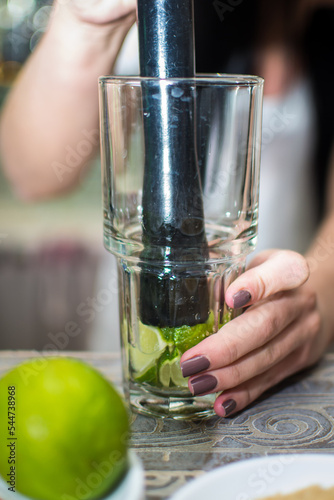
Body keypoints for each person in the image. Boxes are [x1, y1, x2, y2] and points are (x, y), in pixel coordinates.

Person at [0, 0, 333, 418]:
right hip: (134, 358)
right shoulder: (161, 17)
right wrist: (84, 23)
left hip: (268, 368)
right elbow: (34, 175)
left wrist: (310, 303)